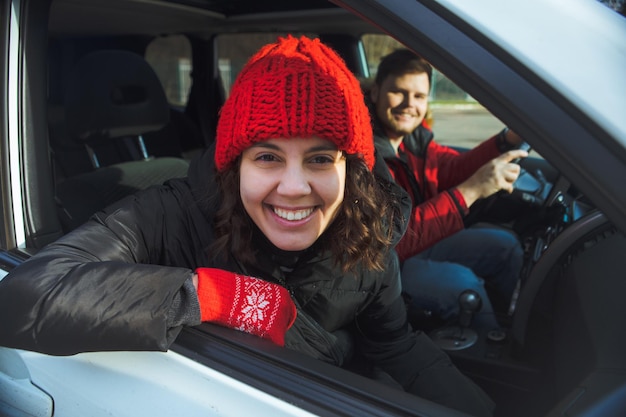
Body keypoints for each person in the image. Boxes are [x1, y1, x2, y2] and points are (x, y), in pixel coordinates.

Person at [0, 36, 494, 416]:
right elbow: (24, 296)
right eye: (267, 156)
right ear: (235, 166)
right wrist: (221, 298)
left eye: (320, 157)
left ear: (353, 168)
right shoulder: (175, 214)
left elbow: (395, 342)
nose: (295, 187)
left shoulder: (367, 228)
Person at [369, 49, 526, 331]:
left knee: (506, 247)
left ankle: (508, 329)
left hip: (418, 244)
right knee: (464, 285)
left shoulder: (413, 139)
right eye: (398, 92)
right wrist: (472, 190)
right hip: (385, 266)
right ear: (376, 92)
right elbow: (390, 243)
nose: (409, 104)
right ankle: (488, 353)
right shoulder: (364, 155)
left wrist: (507, 139)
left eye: (418, 96)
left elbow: (451, 169)